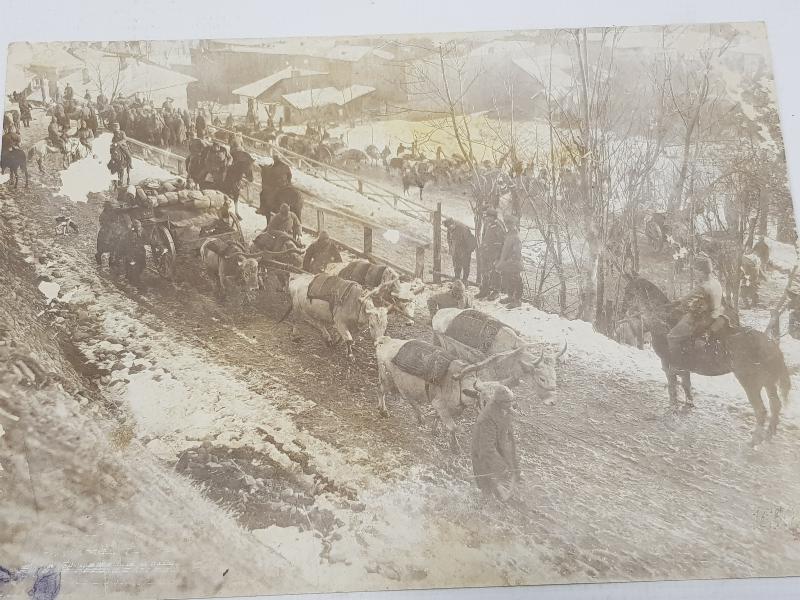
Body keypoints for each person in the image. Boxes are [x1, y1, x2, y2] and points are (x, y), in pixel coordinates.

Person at [666, 256, 724, 359]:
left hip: (705, 319)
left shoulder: (703, 287)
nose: (695, 273)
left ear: (702, 271)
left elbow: (684, 300)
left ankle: (678, 365)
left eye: (696, 270)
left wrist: (670, 304)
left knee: (671, 337)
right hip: (718, 314)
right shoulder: (716, 282)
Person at [476, 208, 506, 300]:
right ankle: (485, 290)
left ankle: (496, 291)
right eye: (486, 217)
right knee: (485, 271)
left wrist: (498, 256)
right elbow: (485, 236)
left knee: (495, 272)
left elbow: (502, 241)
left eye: (488, 217)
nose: (486, 218)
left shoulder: (499, 226)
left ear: (493, 217)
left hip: (494, 253)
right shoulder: (487, 223)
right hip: (486, 252)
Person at [495, 217, 524, 308]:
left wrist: (509, 261)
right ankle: (510, 297)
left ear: (514, 225)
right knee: (508, 280)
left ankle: (517, 300)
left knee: (516, 281)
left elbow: (517, 252)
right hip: (507, 263)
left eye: (510, 224)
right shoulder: (508, 235)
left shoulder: (516, 236)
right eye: (507, 225)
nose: (508, 226)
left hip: (514, 263)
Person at [444, 217, 477, 285]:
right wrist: (451, 249)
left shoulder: (463, 228)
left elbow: (471, 241)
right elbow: (449, 239)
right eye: (448, 228)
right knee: (456, 266)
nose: (449, 230)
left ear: (453, 224)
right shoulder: (449, 229)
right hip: (456, 251)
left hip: (465, 251)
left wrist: (468, 251)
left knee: (465, 266)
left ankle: (465, 281)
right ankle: (457, 280)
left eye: (450, 228)